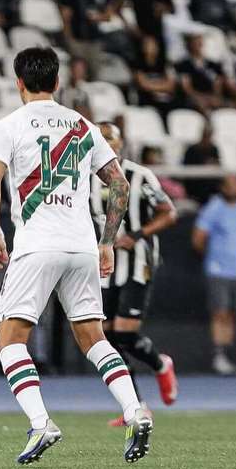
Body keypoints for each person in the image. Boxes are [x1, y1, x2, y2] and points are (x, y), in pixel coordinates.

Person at [0, 47, 152, 464]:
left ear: (18, 82)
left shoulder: (10, 125)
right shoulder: (82, 125)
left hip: (37, 244)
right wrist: (107, 241)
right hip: (81, 246)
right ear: (57, 83)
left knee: (8, 340)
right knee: (94, 336)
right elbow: (120, 186)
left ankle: (41, 423)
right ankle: (135, 409)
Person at [90, 122, 178, 427]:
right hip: (104, 265)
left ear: (120, 143)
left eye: (110, 139)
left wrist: (137, 234)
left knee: (124, 332)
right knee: (108, 339)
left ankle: (160, 363)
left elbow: (169, 213)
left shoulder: (140, 176)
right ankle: (136, 406)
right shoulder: (84, 179)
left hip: (138, 261)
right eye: (99, 139)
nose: (105, 144)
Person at [192, 175, 236, 375]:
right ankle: (219, 356)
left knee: (233, 314)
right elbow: (198, 239)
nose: (233, 188)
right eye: (229, 185)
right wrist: (213, 259)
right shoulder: (213, 208)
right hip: (218, 270)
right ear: (223, 187)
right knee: (220, 313)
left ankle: (227, 354)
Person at [60, 0, 112, 78]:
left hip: (95, 41)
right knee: (79, 75)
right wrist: (69, 39)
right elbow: (66, 17)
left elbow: (108, 16)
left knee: (96, 74)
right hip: (78, 40)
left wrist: (99, 17)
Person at [176, 33, 225, 115]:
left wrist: (215, 96)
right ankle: (209, 125)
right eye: (195, 42)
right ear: (189, 44)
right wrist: (199, 97)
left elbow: (218, 83)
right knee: (201, 104)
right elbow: (186, 88)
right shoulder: (183, 65)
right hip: (194, 98)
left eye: (200, 42)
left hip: (211, 96)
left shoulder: (212, 64)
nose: (198, 45)